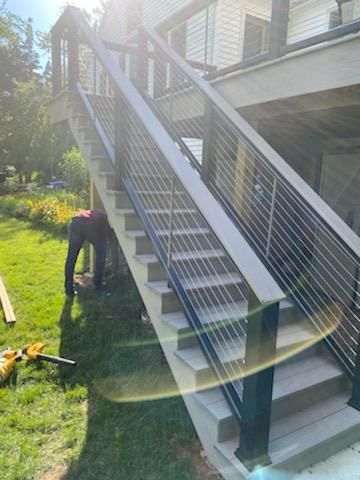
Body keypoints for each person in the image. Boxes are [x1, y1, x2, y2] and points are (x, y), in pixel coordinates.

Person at [64, 209, 114, 297]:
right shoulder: (104, 219)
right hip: (90, 225)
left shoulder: (94, 213)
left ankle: (69, 289)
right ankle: (97, 285)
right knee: (101, 256)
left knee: (71, 257)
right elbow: (109, 239)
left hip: (76, 222)